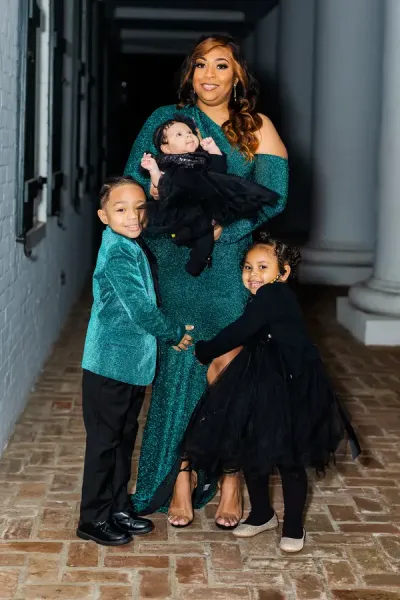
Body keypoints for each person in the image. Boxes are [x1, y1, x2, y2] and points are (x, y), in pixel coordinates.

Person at [124, 34, 289, 529]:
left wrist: (225, 231)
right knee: (179, 365)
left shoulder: (256, 128)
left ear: (238, 75)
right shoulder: (164, 119)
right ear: (189, 73)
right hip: (174, 260)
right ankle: (180, 475)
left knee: (230, 369)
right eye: (201, 65)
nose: (210, 75)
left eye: (222, 65)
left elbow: (273, 198)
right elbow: (136, 182)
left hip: (228, 264)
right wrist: (165, 231)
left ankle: (231, 478)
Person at [183, 233, 361, 552]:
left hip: (290, 381)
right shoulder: (265, 296)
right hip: (262, 376)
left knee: (288, 455)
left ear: (284, 272)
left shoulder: (275, 295)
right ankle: (262, 513)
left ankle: (293, 524)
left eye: (263, 267)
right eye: (248, 267)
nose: (253, 274)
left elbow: (240, 331)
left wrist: (205, 349)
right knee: (254, 446)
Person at [77, 177, 193, 546]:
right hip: (108, 364)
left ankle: (117, 506)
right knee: (103, 443)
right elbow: (141, 309)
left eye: (139, 208)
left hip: (130, 365)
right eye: (121, 209)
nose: (132, 217)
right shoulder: (117, 251)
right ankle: (92, 518)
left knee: (123, 438)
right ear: (102, 215)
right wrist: (174, 332)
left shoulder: (130, 243)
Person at [141, 114, 278, 276]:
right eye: (179, 134)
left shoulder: (201, 158)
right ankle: (183, 240)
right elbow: (160, 187)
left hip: (204, 204)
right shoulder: (166, 164)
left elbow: (219, 169)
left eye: (190, 132)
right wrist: (153, 170)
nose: (188, 136)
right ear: (166, 148)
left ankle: (198, 261)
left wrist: (212, 149)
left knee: (205, 235)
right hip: (181, 204)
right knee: (184, 229)